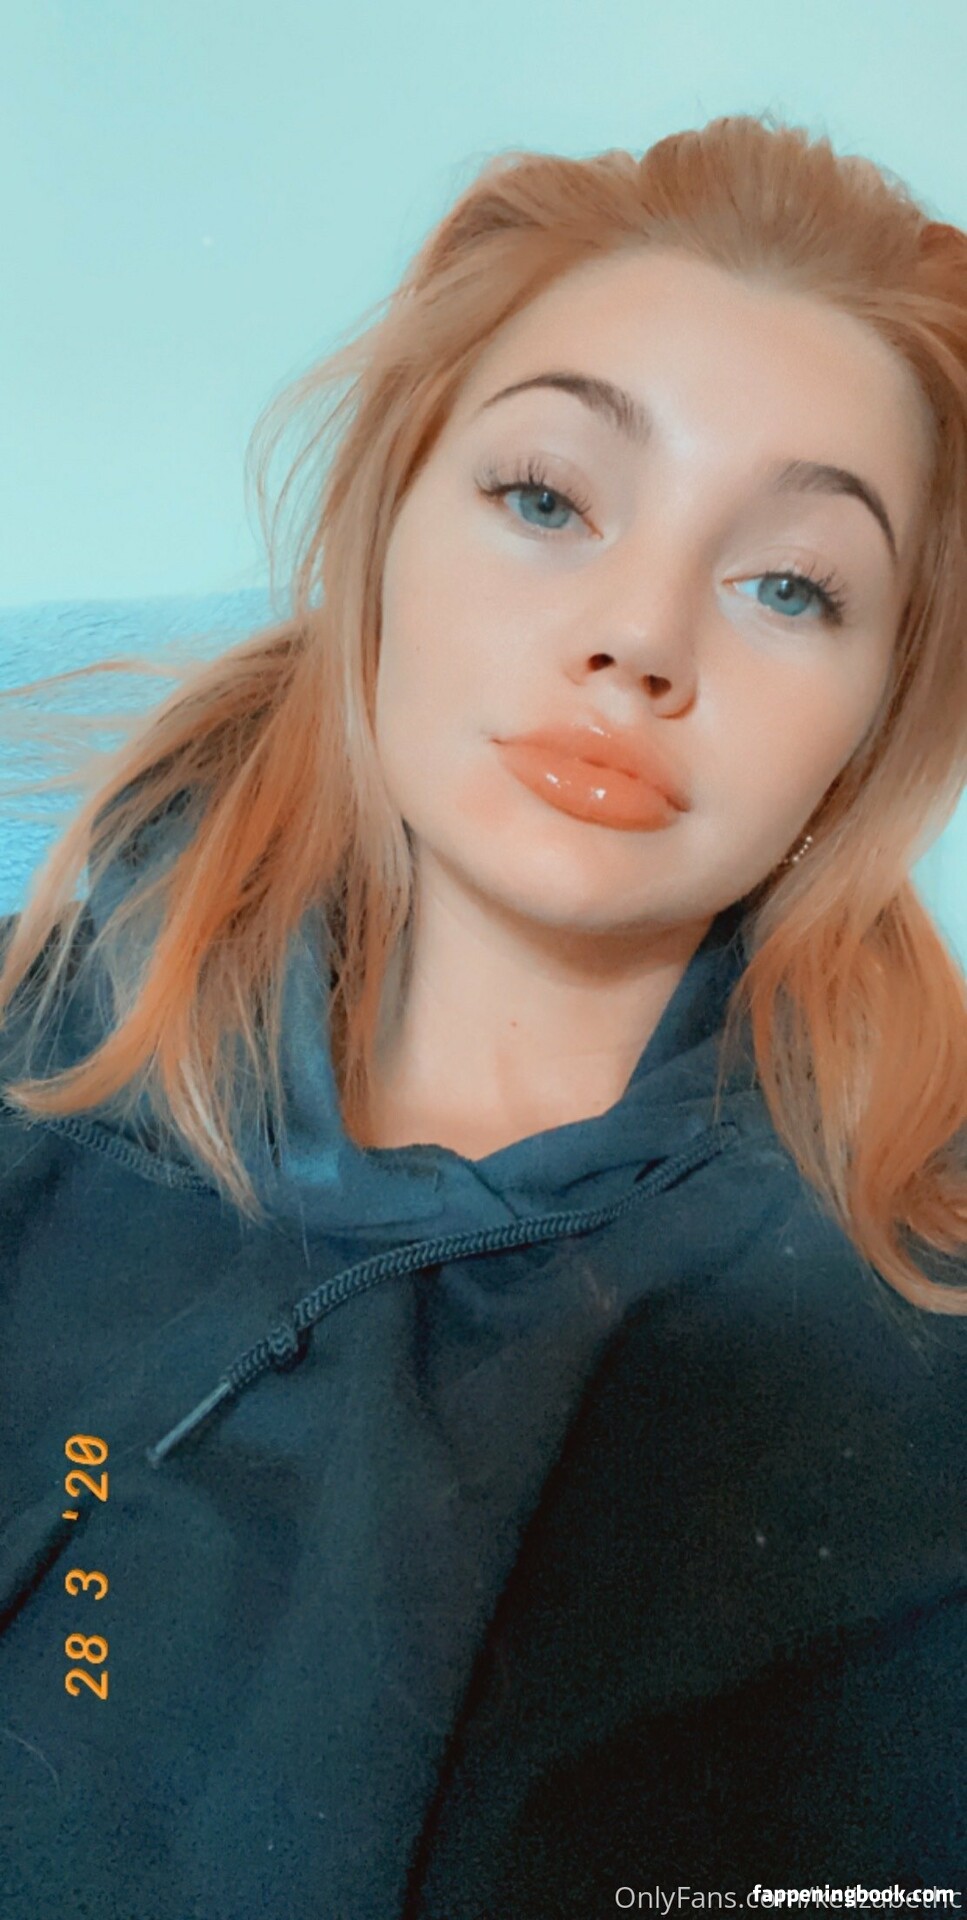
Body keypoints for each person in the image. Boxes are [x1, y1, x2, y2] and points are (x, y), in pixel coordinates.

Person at [0, 110, 965, 1917]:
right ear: (384, 522)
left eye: (790, 584)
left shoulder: (907, 1361)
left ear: (878, 720)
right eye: (546, 499)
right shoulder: (31, 1031)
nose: (640, 636)